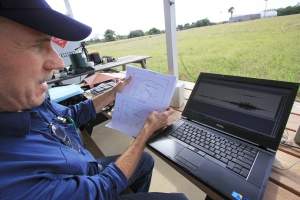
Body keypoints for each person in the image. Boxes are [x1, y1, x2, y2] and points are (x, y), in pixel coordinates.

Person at [0, 1, 189, 200]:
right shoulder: (11, 178)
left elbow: (67, 116)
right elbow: (101, 189)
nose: (59, 63)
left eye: (51, 45)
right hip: (91, 187)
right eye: (37, 45)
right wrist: (145, 132)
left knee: (144, 160)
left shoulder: (26, 103)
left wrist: (113, 92)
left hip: (85, 167)